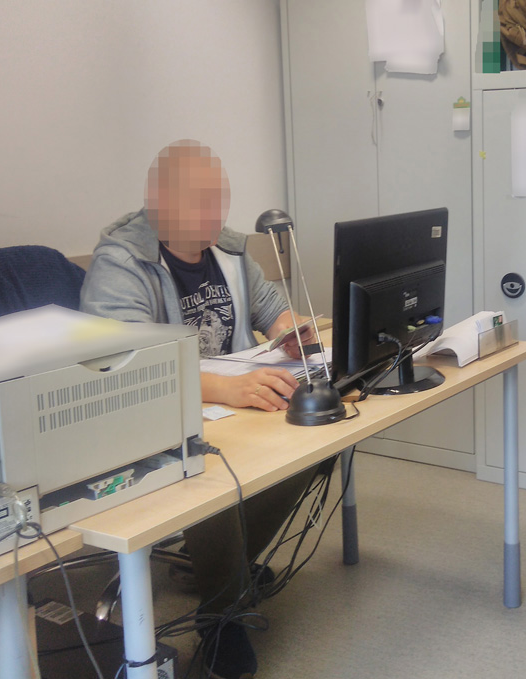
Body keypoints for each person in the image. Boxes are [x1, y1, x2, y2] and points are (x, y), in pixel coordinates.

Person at [81, 140, 319, 679]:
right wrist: (223, 389)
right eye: (200, 201)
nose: (215, 213)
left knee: (320, 432)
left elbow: (272, 309)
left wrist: (290, 331)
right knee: (213, 474)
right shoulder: (122, 264)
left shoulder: (228, 251)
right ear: (159, 201)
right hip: (155, 418)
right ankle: (221, 614)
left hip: (231, 408)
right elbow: (124, 367)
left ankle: (218, 569)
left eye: (220, 199)